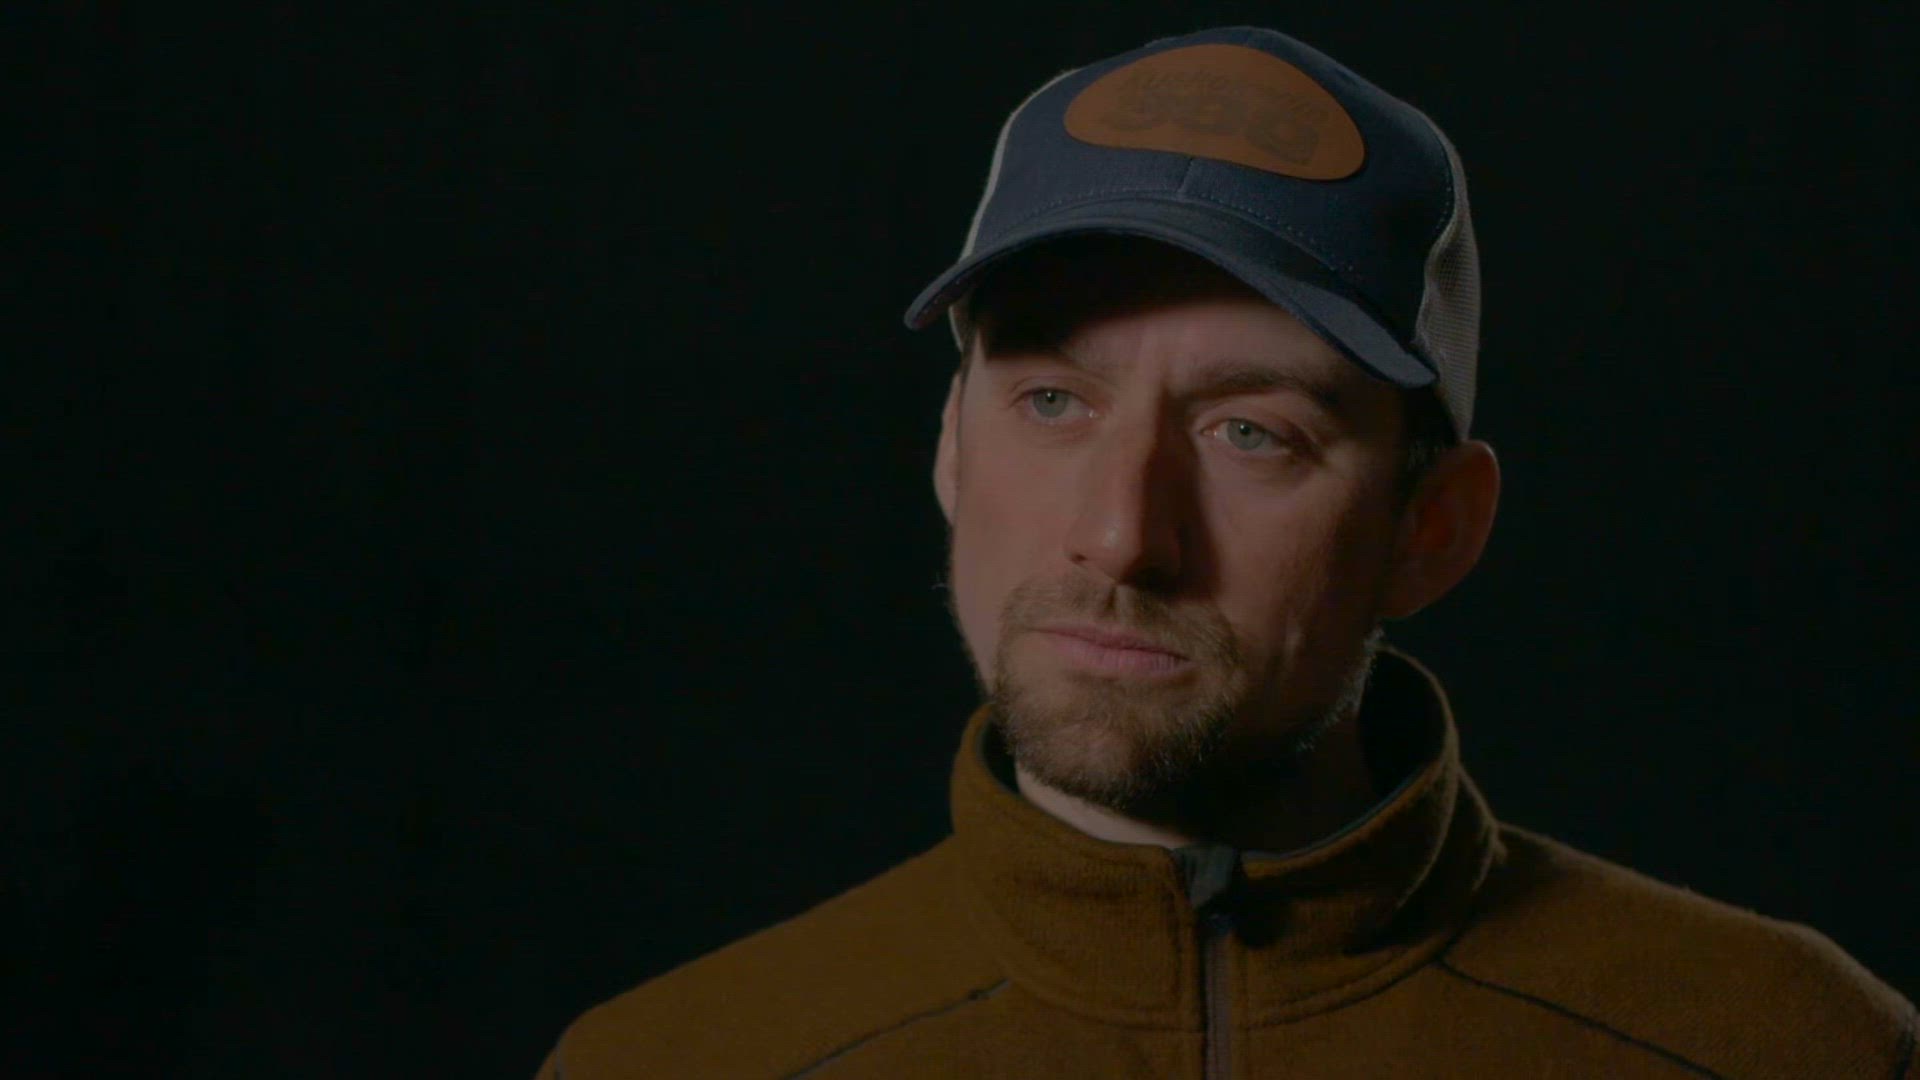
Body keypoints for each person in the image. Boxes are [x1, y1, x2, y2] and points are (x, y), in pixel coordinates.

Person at [536, 26, 1916, 1078]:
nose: (1123, 534)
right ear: (950, 449)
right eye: (1054, 402)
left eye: (1253, 433)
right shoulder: (675, 1062)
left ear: (1433, 528)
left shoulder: (1793, 1049)